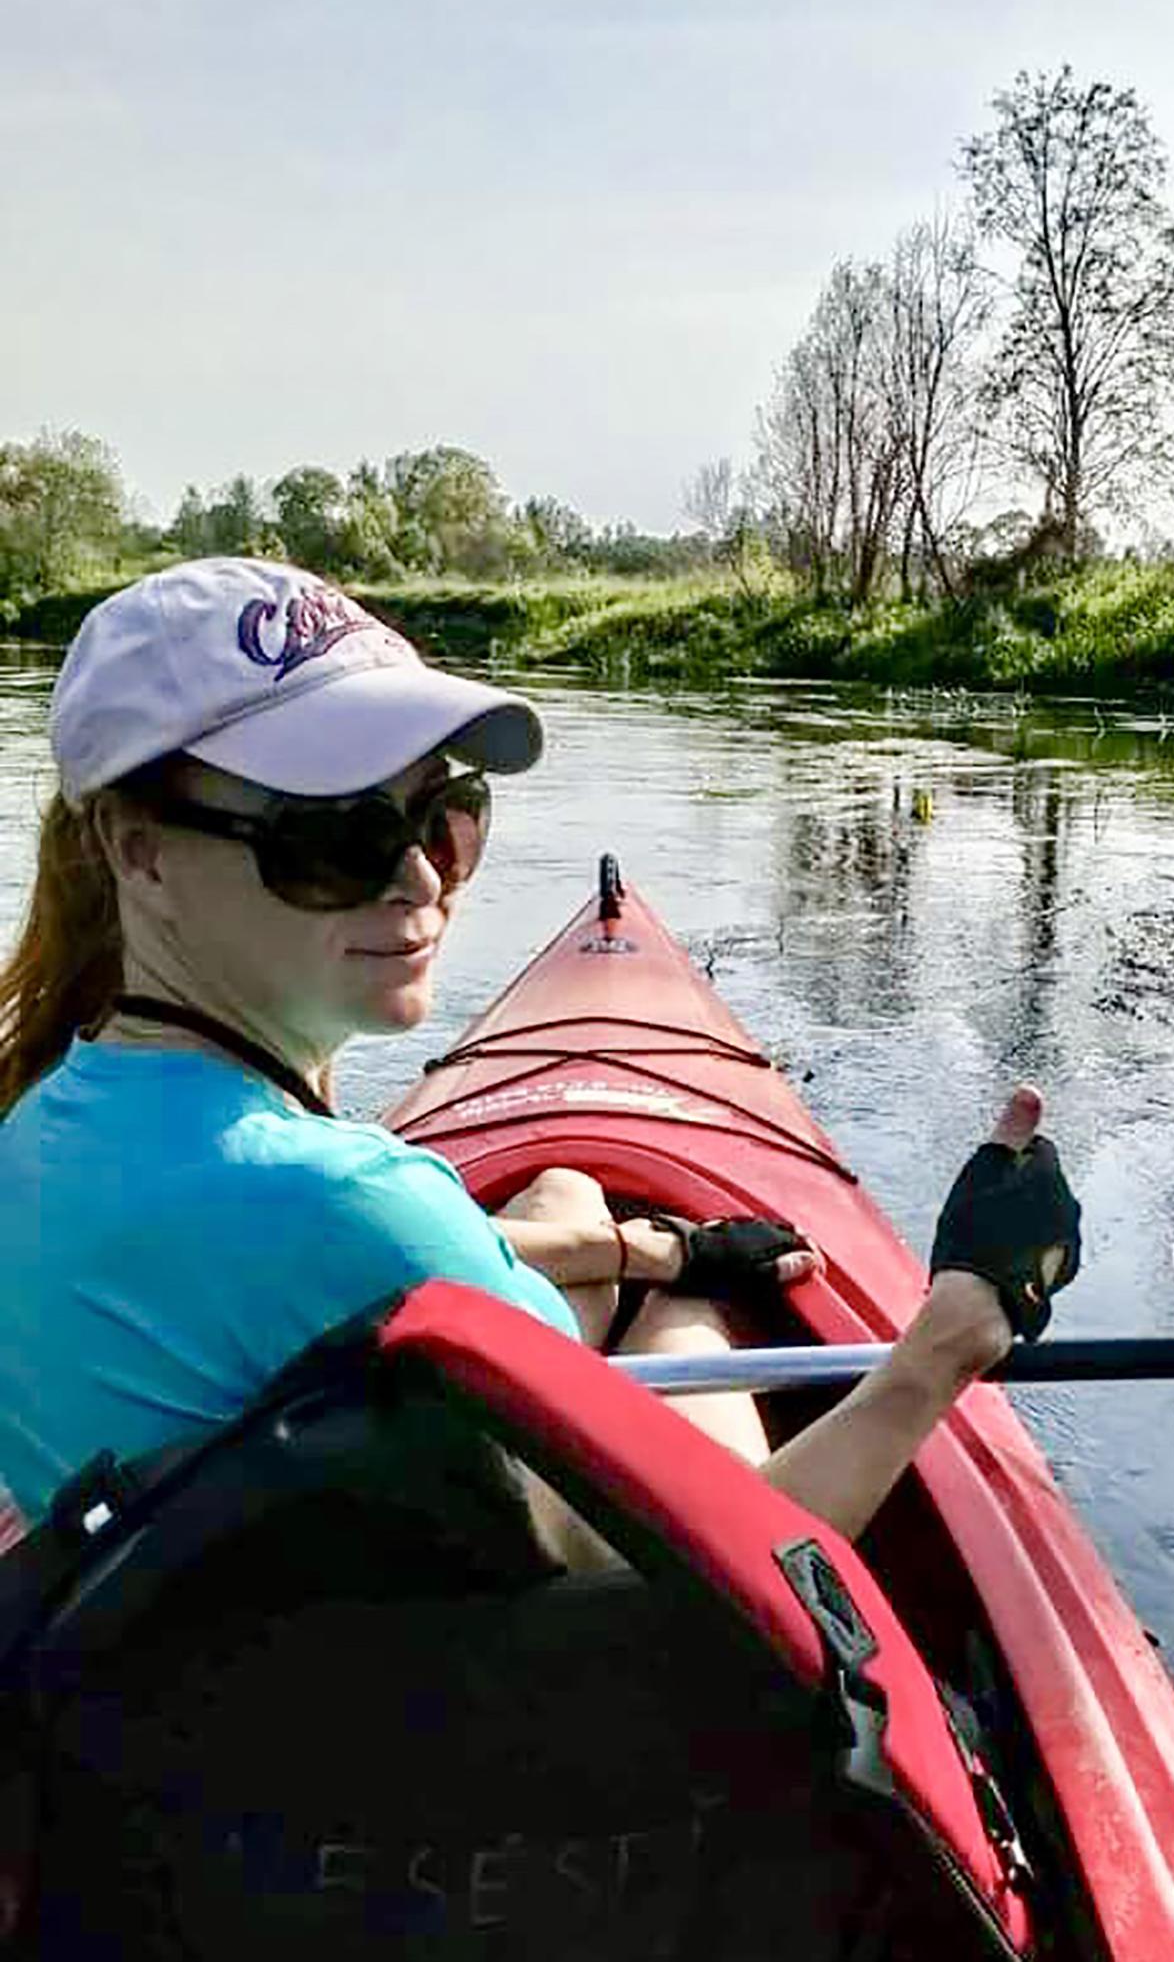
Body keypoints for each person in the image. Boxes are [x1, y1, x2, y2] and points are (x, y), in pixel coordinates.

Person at [0, 558, 1080, 1552]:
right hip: (479, 1718)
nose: (421, 881)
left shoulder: (34, 1142)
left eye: (443, 817)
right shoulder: (345, 1206)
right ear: (140, 855)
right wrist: (944, 1345)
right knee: (687, 1319)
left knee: (571, 1191)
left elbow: (341, 1280)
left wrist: (649, 1244)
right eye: (331, 838)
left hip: (194, 1699)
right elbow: (735, 1576)